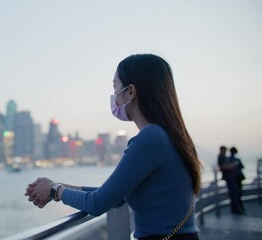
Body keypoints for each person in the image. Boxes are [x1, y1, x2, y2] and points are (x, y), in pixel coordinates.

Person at [25, 54, 201, 240]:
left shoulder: (150, 138)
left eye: (115, 86)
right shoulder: (168, 136)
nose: (114, 94)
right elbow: (112, 194)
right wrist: (56, 185)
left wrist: (55, 191)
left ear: (131, 91)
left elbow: (97, 203)